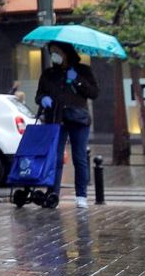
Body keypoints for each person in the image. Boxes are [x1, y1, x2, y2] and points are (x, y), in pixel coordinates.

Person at [36, 42, 99, 209]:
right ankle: (52, 194)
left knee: (79, 158)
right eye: (51, 52)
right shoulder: (49, 74)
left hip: (78, 120)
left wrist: (77, 80)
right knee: (55, 158)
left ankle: (81, 196)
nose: (54, 55)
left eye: (57, 52)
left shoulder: (82, 70)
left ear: (66, 53)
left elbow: (94, 93)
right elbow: (39, 94)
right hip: (56, 119)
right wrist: (43, 99)